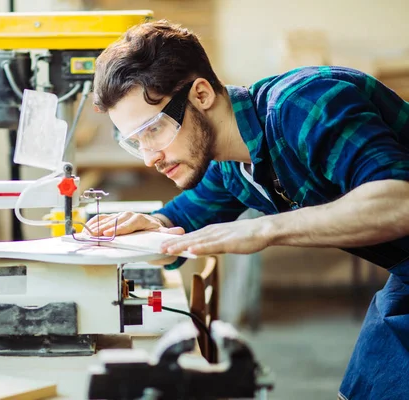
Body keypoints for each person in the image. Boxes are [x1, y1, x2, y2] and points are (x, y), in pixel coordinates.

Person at [86, 19, 409, 399]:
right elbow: (180, 221)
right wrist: (148, 226)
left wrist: (262, 229)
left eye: (153, 129)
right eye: (134, 142)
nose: (148, 157)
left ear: (201, 94)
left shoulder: (304, 104)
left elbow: (398, 203)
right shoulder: (231, 166)